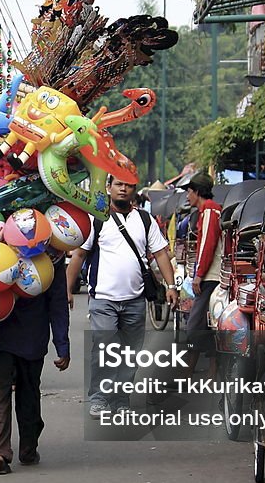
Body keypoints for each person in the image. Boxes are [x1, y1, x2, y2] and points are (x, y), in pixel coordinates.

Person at [65, 177, 178, 419]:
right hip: (103, 299)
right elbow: (79, 256)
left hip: (135, 300)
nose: (123, 189)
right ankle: (98, 398)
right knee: (105, 348)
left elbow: (160, 253)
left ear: (135, 190)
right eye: (118, 184)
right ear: (109, 188)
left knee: (130, 352)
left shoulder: (145, 220)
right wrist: (68, 289)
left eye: (128, 185)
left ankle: (120, 398)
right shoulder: (97, 219)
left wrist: (171, 285)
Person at [0, 261, 70, 474]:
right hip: (32, 334)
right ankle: (28, 449)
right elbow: (57, 301)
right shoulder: (50, 252)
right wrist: (62, 344)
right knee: (29, 392)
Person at [181, 171, 222, 360]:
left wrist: (199, 274)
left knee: (194, 326)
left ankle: (187, 372)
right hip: (211, 276)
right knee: (207, 326)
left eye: (189, 192)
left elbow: (207, 244)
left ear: (197, 192)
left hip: (209, 277)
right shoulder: (211, 210)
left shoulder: (209, 210)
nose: (188, 196)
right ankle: (210, 374)